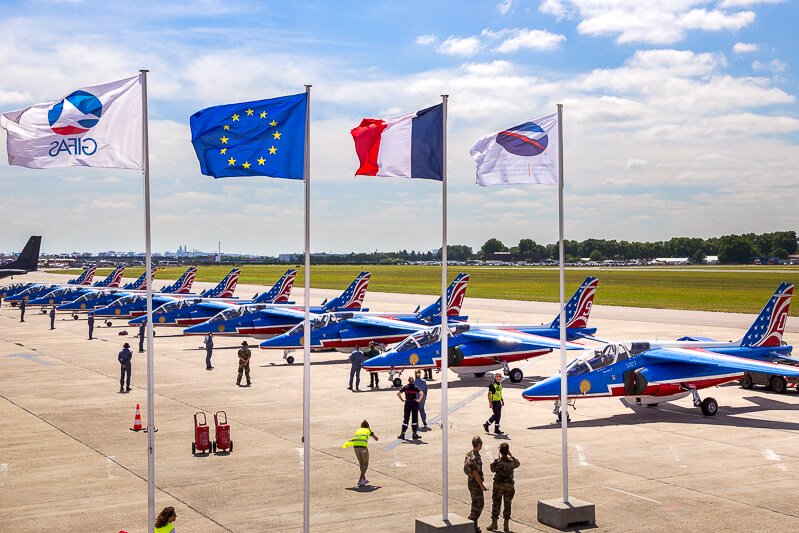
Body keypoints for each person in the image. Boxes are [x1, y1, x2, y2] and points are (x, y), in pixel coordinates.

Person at [488, 443, 520, 532]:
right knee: (507, 504)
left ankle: (494, 523)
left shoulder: (497, 462)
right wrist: (511, 455)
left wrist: (498, 458)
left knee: (496, 504)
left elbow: (492, 468)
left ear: (500, 451)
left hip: (498, 486)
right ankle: (506, 525)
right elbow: (518, 463)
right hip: (509, 487)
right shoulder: (512, 462)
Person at [342, 420, 379, 487]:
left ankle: (364, 479)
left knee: (361, 463)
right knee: (365, 463)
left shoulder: (358, 430)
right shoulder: (368, 430)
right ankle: (360, 480)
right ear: (368, 426)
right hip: (363, 448)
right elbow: (376, 439)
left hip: (355, 447)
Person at [464, 436, 488, 532]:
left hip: (470, 481)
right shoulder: (476, 457)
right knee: (479, 504)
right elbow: (475, 472)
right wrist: (481, 485)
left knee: (475, 503)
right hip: (475, 483)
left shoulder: (469, 454)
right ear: (479, 445)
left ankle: (473, 526)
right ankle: (471, 523)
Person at [396, 376, 424, 440]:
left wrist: (402, 400)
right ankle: (414, 434)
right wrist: (418, 400)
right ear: (413, 381)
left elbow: (398, 393)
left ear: (408, 381)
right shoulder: (415, 387)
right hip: (414, 403)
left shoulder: (405, 387)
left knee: (406, 419)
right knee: (414, 419)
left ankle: (402, 434)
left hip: (407, 403)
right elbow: (421, 394)